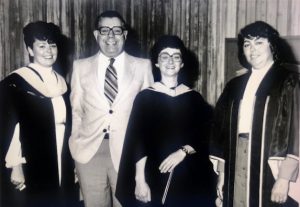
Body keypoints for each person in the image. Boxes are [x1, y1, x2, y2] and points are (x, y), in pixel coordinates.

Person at [116, 35, 216, 207]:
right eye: (164, 56)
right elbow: (137, 142)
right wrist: (140, 180)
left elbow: (206, 134)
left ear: (182, 63)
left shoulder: (194, 98)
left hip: (190, 175)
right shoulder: (145, 98)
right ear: (156, 62)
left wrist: (182, 152)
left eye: (176, 56)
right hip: (155, 175)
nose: (170, 61)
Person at [210, 21, 299, 207]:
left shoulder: (288, 81)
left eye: (259, 42)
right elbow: (222, 132)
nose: (252, 49)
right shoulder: (234, 85)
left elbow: (297, 131)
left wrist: (284, 179)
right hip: (237, 157)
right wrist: (222, 175)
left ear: (272, 45)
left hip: (272, 163)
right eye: (247, 44)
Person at [69, 10, 153, 207]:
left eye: (116, 30)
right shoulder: (80, 67)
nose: (111, 36)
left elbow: (149, 117)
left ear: (124, 34)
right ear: (96, 35)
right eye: (105, 30)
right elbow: (76, 111)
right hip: (88, 151)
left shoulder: (143, 66)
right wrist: (75, 147)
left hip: (128, 152)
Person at [0, 21, 77, 207]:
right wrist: (15, 165)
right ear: (30, 50)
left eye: (52, 45)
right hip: (31, 156)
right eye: (41, 46)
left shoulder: (62, 83)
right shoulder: (15, 83)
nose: (48, 51)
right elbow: (10, 129)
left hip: (61, 154)